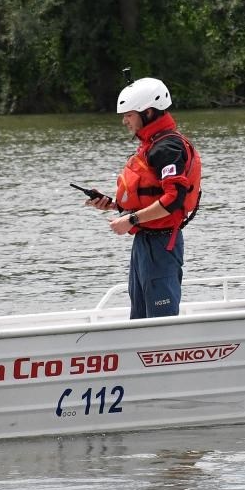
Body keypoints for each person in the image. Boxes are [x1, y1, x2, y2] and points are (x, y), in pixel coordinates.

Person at [83, 76, 203, 319]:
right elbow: (150, 197)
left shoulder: (167, 148)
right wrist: (114, 206)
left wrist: (132, 220)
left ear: (147, 112)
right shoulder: (151, 146)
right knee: (139, 318)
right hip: (144, 244)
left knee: (160, 320)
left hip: (161, 244)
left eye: (128, 114)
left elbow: (173, 200)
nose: (124, 120)